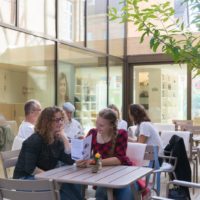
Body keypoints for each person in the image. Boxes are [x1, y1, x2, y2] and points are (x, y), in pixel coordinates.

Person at [13, 106, 83, 200]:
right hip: (24, 180)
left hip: (42, 177)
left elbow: (70, 161)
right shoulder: (35, 140)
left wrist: (65, 138)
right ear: (47, 122)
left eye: (62, 119)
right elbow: (30, 169)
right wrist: (51, 180)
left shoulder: (57, 139)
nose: (61, 123)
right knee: (62, 187)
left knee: (73, 183)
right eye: (57, 120)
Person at [77, 108, 137, 200]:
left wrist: (93, 162)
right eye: (96, 123)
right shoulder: (92, 133)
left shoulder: (121, 134)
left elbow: (119, 159)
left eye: (101, 125)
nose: (97, 127)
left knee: (126, 195)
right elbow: (84, 155)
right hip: (103, 176)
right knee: (101, 194)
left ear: (111, 125)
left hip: (122, 173)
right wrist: (80, 161)